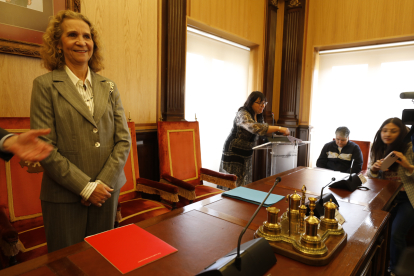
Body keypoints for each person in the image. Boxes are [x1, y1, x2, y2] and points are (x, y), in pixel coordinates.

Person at [30, 10, 131, 252]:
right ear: (58, 44)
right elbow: (45, 147)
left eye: (87, 36)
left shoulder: (109, 86)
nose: (81, 41)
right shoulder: (44, 85)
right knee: (67, 265)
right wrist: (86, 187)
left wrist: (102, 186)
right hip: (63, 197)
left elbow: (123, 140)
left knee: (101, 258)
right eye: (72, 35)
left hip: (106, 194)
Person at [366, 118, 414, 275]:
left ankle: (395, 270)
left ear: (401, 132)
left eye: (394, 131)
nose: (387, 134)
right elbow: (368, 175)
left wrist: (407, 165)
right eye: (385, 130)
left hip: (408, 197)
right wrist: (374, 169)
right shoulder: (377, 147)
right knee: (378, 231)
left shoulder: (409, 148)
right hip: (386, 197)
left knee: (396, 234)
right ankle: (378, 263)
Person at [219, 91, 290, 187]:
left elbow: (263, 132)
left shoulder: (259, 116)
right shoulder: (242, 113)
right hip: (234, 153)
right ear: (251, 102)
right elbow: (254, 127)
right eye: (260, 103)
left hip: (247, 153)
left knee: (244, 184)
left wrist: (278, 139)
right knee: (232, 185)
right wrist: (279, 128)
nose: (263, 106)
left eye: (264, 103)